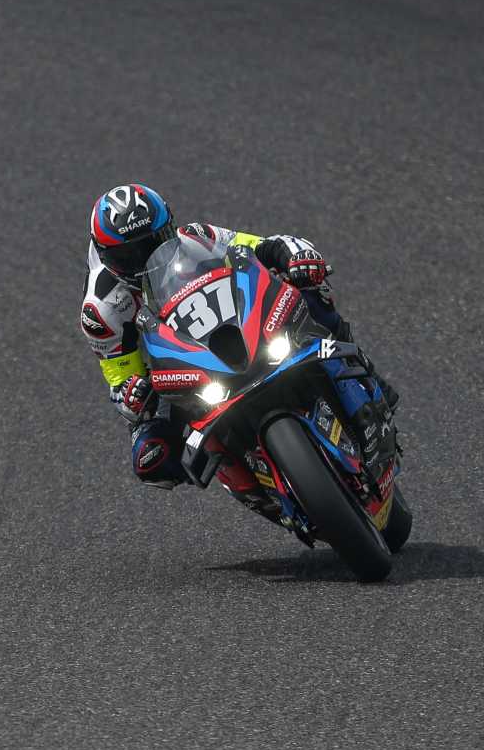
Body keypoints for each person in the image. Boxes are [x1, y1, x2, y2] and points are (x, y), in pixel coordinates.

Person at [80, 183, 399, 512]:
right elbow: (119, 379)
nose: (144, 258)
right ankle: (255, 493)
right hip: (170, 365)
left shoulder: (197, 237)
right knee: (151, 455)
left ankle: (366, 377)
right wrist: (132, 392)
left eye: (153, 243)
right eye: (129, 255)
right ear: (107, 257)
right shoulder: (101, 310)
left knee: (308, 291)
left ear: (169, 228)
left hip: (230, 328)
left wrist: (294, 255)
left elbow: (259, 247)